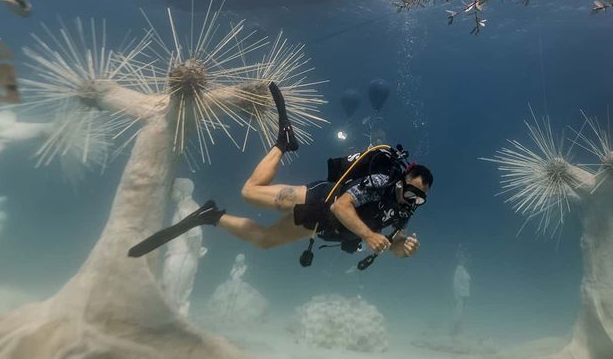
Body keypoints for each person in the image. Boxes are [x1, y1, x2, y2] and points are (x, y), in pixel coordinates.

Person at [140, 82, 429, 261]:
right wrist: (367, 235)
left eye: (420, 198)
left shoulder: (406, 210)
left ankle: (210, 215)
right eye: (412, 190)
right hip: (319, 201)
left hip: (320, 225)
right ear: (403, 180)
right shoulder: (380, 181)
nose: (413, 198)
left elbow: (392, 241)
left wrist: (400, 247)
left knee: (264, 241)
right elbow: (342, 206)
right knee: (249, 193)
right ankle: (284, 142)